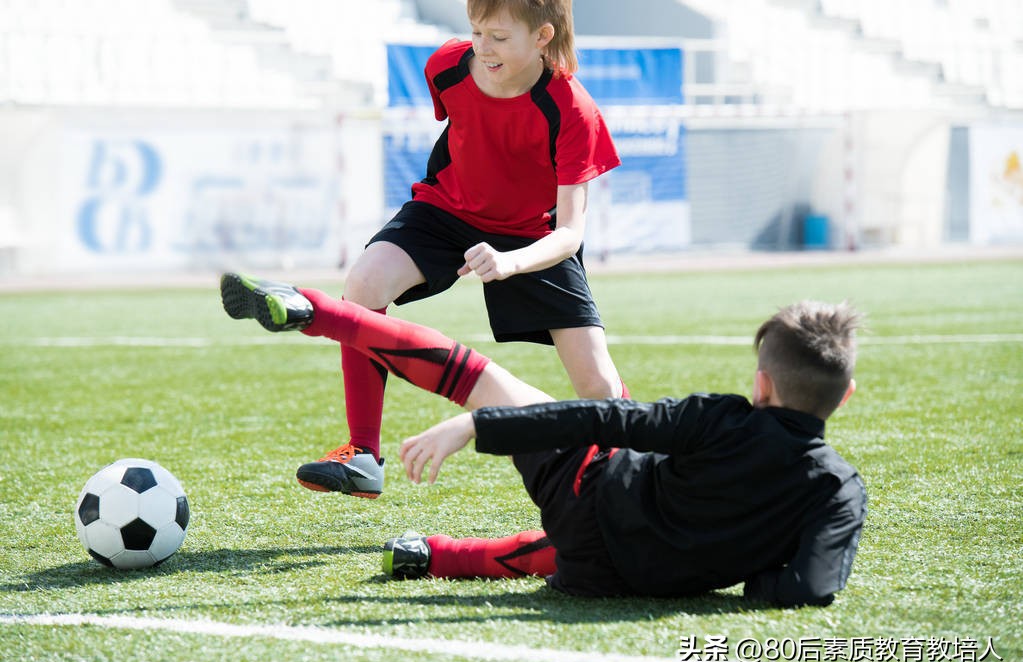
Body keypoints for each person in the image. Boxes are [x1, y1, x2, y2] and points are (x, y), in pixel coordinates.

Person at [220, 273, 867, 607]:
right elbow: (810, 588)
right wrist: (749, 571)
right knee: (596, 545)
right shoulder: (838, 489)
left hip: (587, 498)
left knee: (478, 376)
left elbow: (600, 419)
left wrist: (477, 424)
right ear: (844, 396)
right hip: (600, 576)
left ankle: (316, 309)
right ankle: (433, 556)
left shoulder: (722, 417)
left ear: (760, 384)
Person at [294, 0, 628, 499]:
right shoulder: (446, 67)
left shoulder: (573, 108)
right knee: (363, 284)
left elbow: (569, 235)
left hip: (532, 237)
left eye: (499, 37)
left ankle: (635, 472)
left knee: (598, 385)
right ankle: (362, 454)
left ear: (542, 37)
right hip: (446, 210)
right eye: (476, 32)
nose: (483, 48)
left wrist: (510, 261)